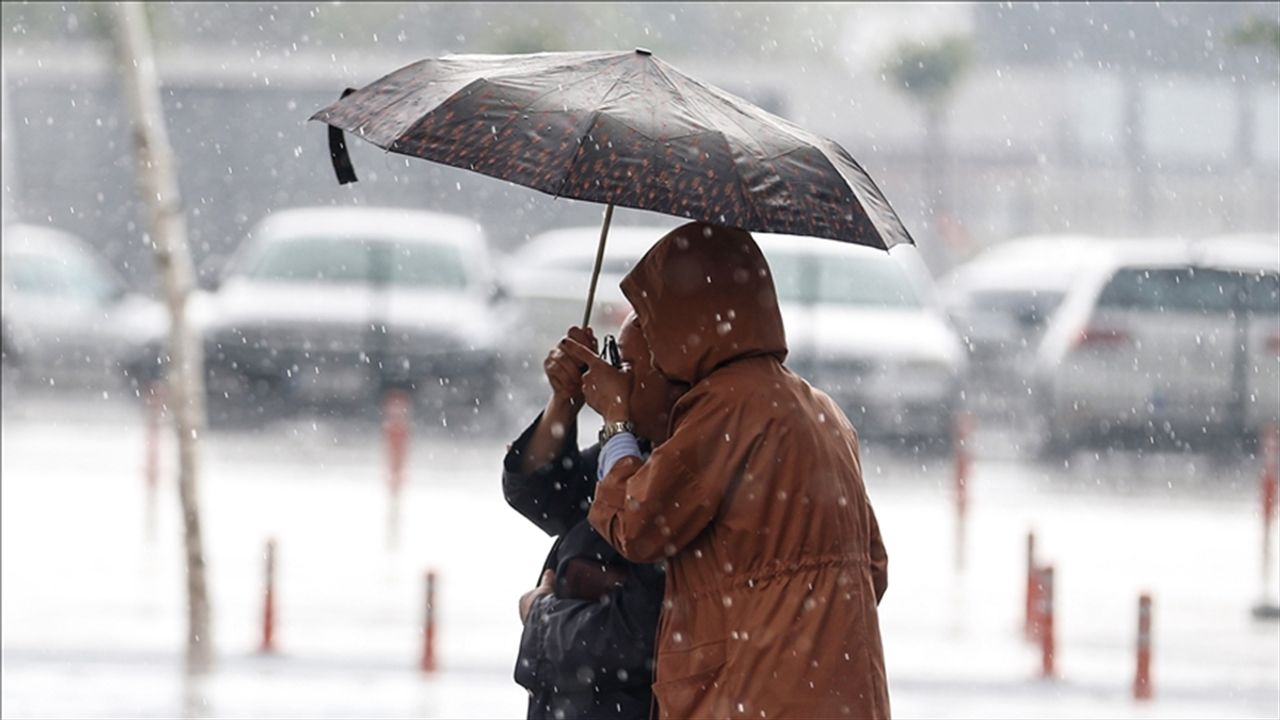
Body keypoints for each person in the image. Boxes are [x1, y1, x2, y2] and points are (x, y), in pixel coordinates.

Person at [563, 222, 891, 719]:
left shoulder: (727, 408)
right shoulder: (819, 408)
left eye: (632, 360)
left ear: (680, 329)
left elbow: (636, 523)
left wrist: (615, 421)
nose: (628, 375)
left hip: (758, 699)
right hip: (843, 696)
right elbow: (874, 567)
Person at [504, 316, 687, 720]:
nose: (610, 377)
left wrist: (541, 617)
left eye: (625, 366)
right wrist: (563, 405)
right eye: (612, 359)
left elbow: (633, 636)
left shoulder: (683, 473)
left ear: (677, 381)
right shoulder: (639, 448)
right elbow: (541, 496)